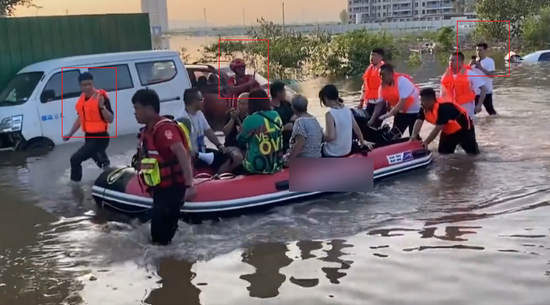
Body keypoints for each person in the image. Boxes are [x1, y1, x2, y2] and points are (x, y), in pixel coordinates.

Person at [132, 89, 195, 246]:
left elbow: (182, 155)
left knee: (160, 241)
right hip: (160, 190)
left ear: (149, 109)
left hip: (173, 189)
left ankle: (172, 268)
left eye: (137, 108)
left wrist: (190, 186)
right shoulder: (148, 130)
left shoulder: (164, 130)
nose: (135, 113)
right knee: (158, 237)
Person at [64, 72, 113, 184]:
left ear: (93, 83)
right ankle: (110, 179)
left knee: (75, 159)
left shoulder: (101, 97)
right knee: (103, 164)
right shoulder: (82, 100)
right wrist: (70, 133)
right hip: (89, 137)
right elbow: (80, 119)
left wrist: (102, 107)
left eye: (89, 84)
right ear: (80, 86)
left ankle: (75, 186)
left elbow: (110, 119)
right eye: (84, 85)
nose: (87, 87)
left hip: (101, 137)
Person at [177, 88, 239, 174]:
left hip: (202, 150)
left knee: (226, 157)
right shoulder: (183, 119)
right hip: (193, 155)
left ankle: (218, 178)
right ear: (194, 101)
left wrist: (219, 145)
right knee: (220, 160)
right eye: (201, 99)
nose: (203, 101)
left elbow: (208, 131)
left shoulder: (199, 114)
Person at [410, 88, 479, 155]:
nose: (421, 103)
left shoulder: (444, 108)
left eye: (423, 101)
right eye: (420, 101)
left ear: (430, 100)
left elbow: (437, 128)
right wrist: (413, 136)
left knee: (473, 154)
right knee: (443, 154)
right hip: (448, 131)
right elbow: (419, 121)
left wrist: (426, 142)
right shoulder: (424, 108)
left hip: (464, 130)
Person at [236, 89, 284, 174]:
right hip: (277, 164)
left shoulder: (250, 120)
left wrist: (240, 131)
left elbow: (240, 141)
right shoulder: (276, 115)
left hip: (256, 167)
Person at [319, 85, 370, 157]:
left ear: (325, 99)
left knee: (318, 149)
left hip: (334, 152)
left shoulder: (330, 114)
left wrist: (319, 138)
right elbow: (357, 129)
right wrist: (362, 142)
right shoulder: (347, 109)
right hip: (347, 150)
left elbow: (330, 137)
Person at [377, 64, 421, 137]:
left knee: (414, 136)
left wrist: (389, 114)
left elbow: (402, 102)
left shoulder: (402, 81)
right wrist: (372, 120)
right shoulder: (382, 87)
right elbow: (380, 104)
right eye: (379, 75)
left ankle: (422, 146)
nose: (381, 77)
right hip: (400, 112)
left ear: (390, 74)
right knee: (394, 135)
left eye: (383, 75)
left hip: (414, 111)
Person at [441, 52, 487, 120]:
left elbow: (483, 89)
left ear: (461, 61)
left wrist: (479, 105)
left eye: (453, 60)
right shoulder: (445, 76)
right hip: (451, 108)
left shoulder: (470, 74)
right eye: (450, 60)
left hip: (467, 109)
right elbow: (442, 94)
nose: (450, 62)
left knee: (468, 127)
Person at [285, 94, 323, 163]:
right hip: (316, 157)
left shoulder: (300, 121)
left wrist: (289, 159)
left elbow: (300, 144)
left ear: (293, 108)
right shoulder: (313, 118)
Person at [358, 48, 387, 127]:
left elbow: (389, 87)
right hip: (370, 102)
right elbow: (364, 87)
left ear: (381, 57)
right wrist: (361, 101)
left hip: (380, 102)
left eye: (374, 55)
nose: (371, 57)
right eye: (371, 55)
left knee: (375, 124)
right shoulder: (370, 68)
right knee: (366, 123)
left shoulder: (384, 70)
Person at [221, 92, 248, 173]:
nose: (240, 106)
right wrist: (232, 119)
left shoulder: (251, 116)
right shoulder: (230, 113)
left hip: (246, 146)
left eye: (244, 104)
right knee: (238, 157)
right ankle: (226, 173)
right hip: (232, 145)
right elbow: (225, 132)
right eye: (239, 102)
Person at [470, 42, 497, 115]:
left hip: (486, 90)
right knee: (472, 112)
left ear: (485, 50)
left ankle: (495, 124)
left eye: (480, 50)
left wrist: (480, 68)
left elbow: (491, 75)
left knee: (491, 112)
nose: (478, 52)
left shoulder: (490, 61)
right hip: (475, 91)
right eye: (477, 50)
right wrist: (469, 65)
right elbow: (466, 74)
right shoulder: (474, 61)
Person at [270, 81, 295, 150]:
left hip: (291, 138)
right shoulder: (269, 110)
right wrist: (284, 128)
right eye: (284, 92)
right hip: (277, 141)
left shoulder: (286, 104)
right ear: (278, 94)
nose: (285, 94)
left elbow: (294, 115)